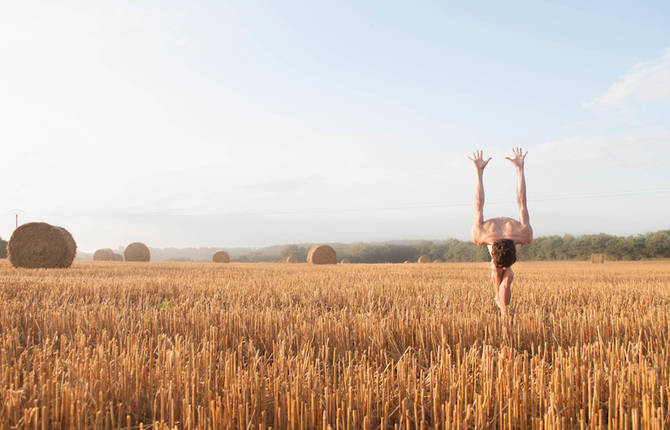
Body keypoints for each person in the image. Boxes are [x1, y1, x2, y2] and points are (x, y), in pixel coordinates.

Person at [468, 147, 533, 319]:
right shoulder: (523, 234)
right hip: (508, 234)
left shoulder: (481, 234)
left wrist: (479, 173)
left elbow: (478, 204)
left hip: (497, 235)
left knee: (504, 273)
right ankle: (502, 305)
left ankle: (501, 305)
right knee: (503, 273)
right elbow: (522, 201)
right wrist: (520, 169)